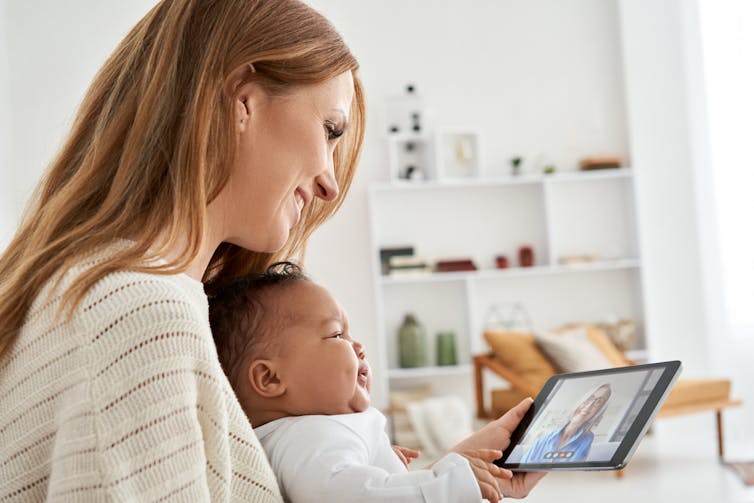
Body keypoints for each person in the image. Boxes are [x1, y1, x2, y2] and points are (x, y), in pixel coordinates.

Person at [0, 0, 542, 500]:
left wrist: (430, 481)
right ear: (244, 101)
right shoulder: (142, 314)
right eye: (330, 129)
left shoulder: (92, 290)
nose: (330, 183)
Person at [208, 261, 538, 502]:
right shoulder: (307, 438)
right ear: (270, 378)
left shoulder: (309, 437)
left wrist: (375, 457)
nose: (359, 347)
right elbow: (342, 493)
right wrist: (443, 482)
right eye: (336, 334)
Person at [520, 383, 612, 463]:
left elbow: (574, 464)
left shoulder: (587, 438)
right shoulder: (547, 431)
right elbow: (525, 462)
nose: (589, 406)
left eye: (599, 402)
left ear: (600, 410)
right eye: (589, 398)